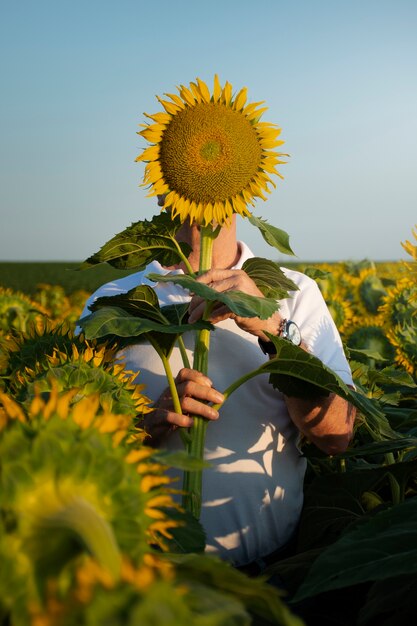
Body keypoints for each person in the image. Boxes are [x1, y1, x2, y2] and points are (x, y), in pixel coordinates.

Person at [79, 204, 356, 571]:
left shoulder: (296, 295)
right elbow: (74, 450)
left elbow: (337, 435)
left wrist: (276, 332)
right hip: (141, 574)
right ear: (162, 190)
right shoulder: (112, 303)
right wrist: (141, 428)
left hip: (265, 572)